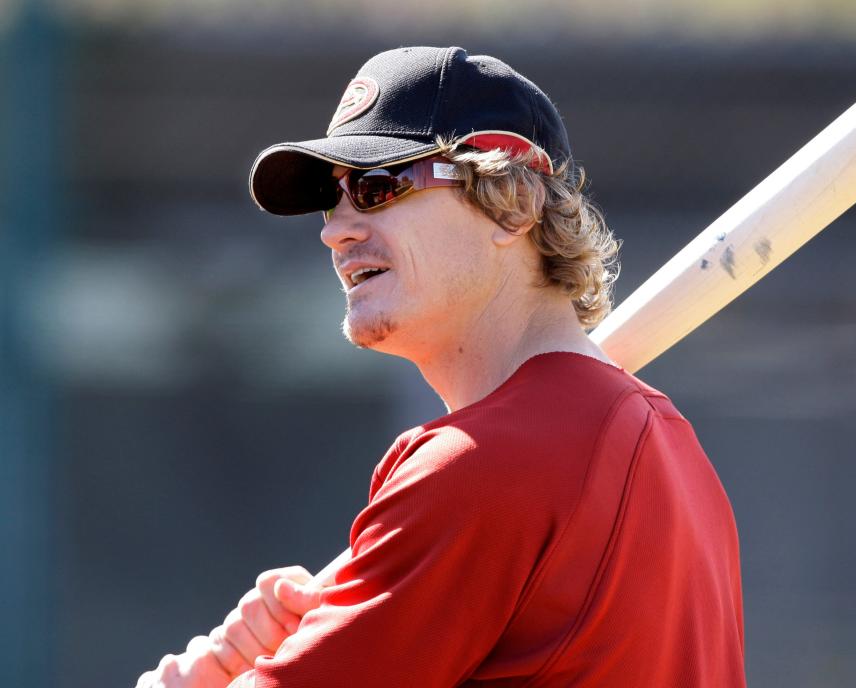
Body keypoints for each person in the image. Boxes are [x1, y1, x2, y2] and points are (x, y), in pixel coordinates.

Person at [137, 46, 746, 688]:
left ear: (511, 207)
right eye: (330, 198)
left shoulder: (477, 464)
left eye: (376, 188)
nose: (335, 231)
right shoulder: (679, 453)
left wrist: (188, 680)